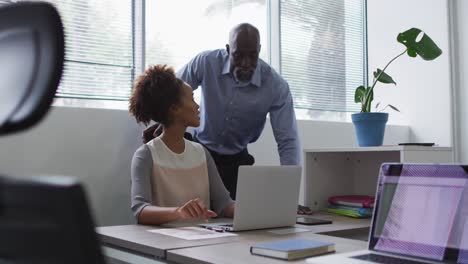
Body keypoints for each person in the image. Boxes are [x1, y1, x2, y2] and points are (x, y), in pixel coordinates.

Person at [175, 23, 311, 214]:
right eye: (238, 55)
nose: (246, 63)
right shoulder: (206, 62)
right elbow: (172, 91)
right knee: (193, 217)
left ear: (259, 51)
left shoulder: (275, 86)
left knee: (237, 222)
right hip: (199, 154)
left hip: (236, 161)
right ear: (228, 50)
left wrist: (288, 196)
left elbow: (288, 141)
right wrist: (161, 122)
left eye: (252, 55)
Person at [129, 64, 235, 225]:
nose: (197, 106)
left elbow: (224, 204)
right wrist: (178, 211)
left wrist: (256, 211)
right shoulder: (145, 155)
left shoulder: (201, 152)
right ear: (175, 108)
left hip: (202, 242)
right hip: (164, 244)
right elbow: (141, 210)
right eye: (192, 98)